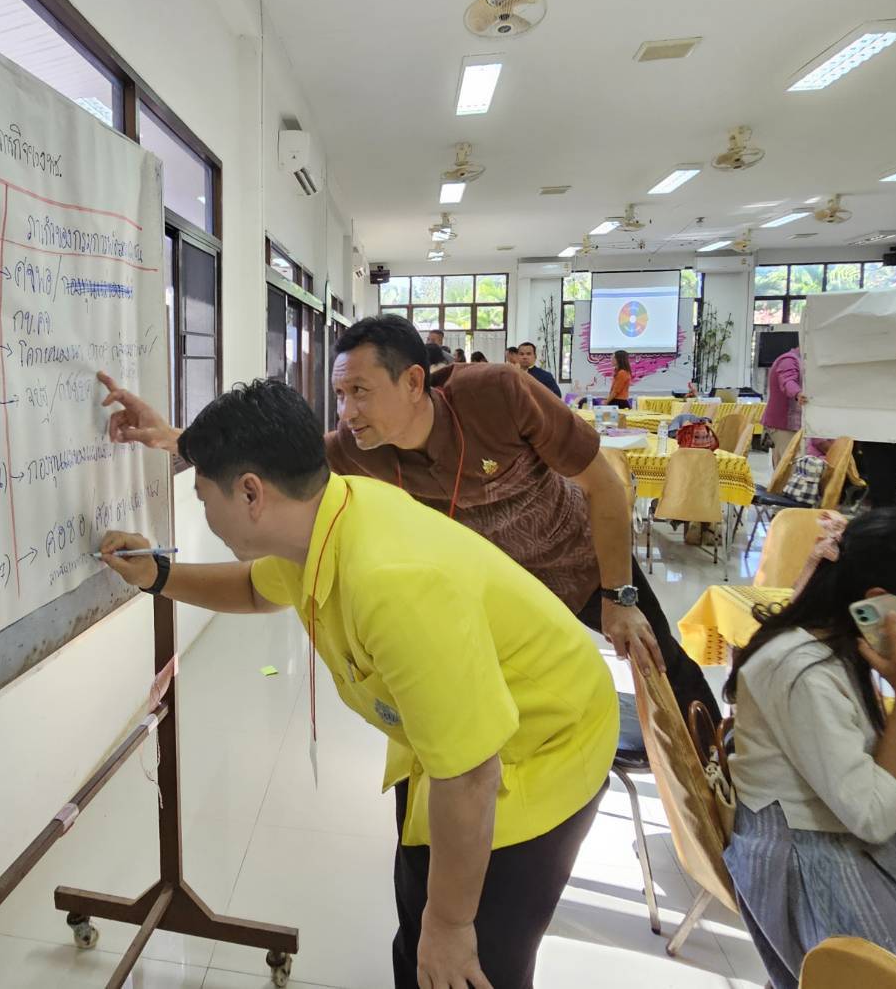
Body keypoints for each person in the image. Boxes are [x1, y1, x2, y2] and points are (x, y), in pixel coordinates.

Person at [98, 379, 618, 989]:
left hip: (540, 749)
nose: (203, 512)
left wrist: (451, 925)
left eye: (202, 494)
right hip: (455, 749)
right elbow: (251, 588)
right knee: (419, 928)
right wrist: (158, 574)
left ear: (250, 493)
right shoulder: (328, 514)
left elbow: (473, 776)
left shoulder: (392, 581)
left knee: (471, 962)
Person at [98, 314, 718, 720]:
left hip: (580, 563)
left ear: (415, 381)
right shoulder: (354, 452)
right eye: (339, 396)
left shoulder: (498, 393)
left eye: (360, 393)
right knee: (512, 709)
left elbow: (604, 486)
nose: (346, 412)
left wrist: (621, 594)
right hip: (491, 600)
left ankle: (726, 798)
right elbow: (261, 460)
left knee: (666, 668)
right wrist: (169, 436)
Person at [723, 508, 896, 989]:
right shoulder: (801, 671)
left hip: (836, 837)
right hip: (809, 863)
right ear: (880, 603)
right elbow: (875, 819)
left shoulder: (827, 650)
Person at [763, 346, 804, 468]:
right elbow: (787, 381)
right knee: (788, 470)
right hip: (783, 425)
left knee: (786, 469)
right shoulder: (789, 360)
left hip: (795, 425)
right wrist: (798, 393)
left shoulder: (804, 361)